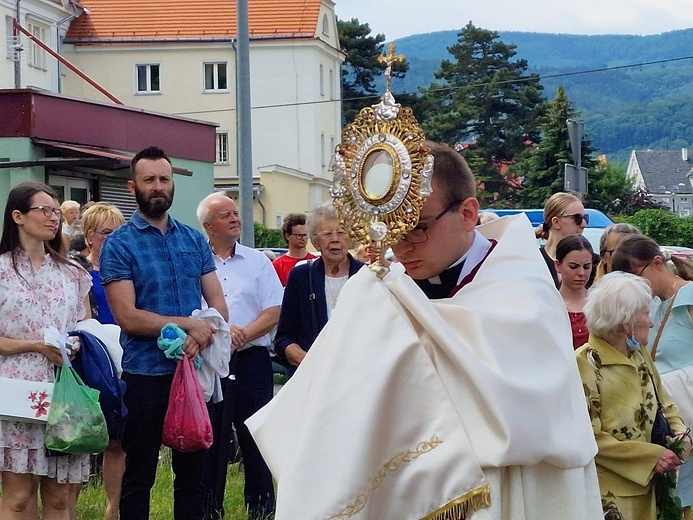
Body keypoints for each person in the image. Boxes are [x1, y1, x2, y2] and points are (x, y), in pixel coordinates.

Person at [248, 142, 602, 519]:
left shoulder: (525, 294)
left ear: (467, 213)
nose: (400, 247)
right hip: (395, 495)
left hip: (504, 491)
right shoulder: (373, 289)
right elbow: (325, 406)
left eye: (416, 228)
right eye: (390, 231)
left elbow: (539, 420)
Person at [99, 146, 228, 520]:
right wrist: (188, 323)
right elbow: (128, 317)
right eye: (149, 180)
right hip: (146, 375)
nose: (158, 186)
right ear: (133, 186)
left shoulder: (192, 240)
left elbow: (218, 304)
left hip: (193, 373)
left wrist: (202, 334)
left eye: (164, 179)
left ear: (173, 184)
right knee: (139, 475)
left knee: (194, 476)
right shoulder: (119, 245)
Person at [0, 182, 92, 519]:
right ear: (18, 216)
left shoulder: (72, 273)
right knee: (19, 496)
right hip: (14, 395)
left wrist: (75, 344)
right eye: (45, 210)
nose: (54, 217)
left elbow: (86, 327)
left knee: (58, 498)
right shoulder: (1, 270)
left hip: (64, 392)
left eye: (57, 210)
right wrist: (36, 345)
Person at [576, 271, 691, 519]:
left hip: (652, 488)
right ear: (624, 321)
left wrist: (680, 433)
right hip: (612, 495)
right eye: (645, 314)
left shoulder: (639, 354)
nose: (651, 322)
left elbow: (665, 403)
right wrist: (650, 456)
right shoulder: (585, 362)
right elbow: (587, 435)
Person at [196, 193, 283, 519]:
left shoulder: (258, 261)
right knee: (213, 438)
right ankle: (209, 507)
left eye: (236, 212)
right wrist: (219, 332)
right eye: (226, 214)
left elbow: (274, 309)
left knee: (257, 436)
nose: (236, 218)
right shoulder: (196, 262)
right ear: (208, 226)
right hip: (210, 362)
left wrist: (243, 333)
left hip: (251, 360)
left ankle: (262, 506)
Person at [612, 234, 693, 518]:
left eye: (637, 276)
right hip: (667, 424)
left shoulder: (690, 296)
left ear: (657, 263)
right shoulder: (651, 308)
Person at [273, 202, 364, 377]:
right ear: (316, 243)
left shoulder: (367, 276)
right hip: (311, 377)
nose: (335, 239)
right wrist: (308, 361)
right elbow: (283, 339)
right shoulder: (301, 277)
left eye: (341, 232)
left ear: (351, 238)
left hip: (357, 377)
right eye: (327, 234)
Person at [81, 202, 127, 520]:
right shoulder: (79, 272)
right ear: (89, 236)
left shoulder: (128, 268)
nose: (112, 239)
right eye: (106, 233)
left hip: (129, 358)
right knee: (89, 437)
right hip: (95, 362)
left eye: (118, 232)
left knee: (120, 439)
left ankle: (116, 507)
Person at [535, 192, 589, 288]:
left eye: (585, 218)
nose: (584, 224)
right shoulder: (535, 262)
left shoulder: (593, 262)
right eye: (577, 218)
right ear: (556, 222)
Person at [555, 234, 594, 349]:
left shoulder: (601, 304)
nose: (581, 273)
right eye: (573, 266)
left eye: (587, 267)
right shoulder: (548, 304)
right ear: (558, 265)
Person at [272, 213, 316, 286]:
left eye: (305, 235)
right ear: (287, 236)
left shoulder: (315, 261)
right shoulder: (278, 265)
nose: (303, 238)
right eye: (299, 235)